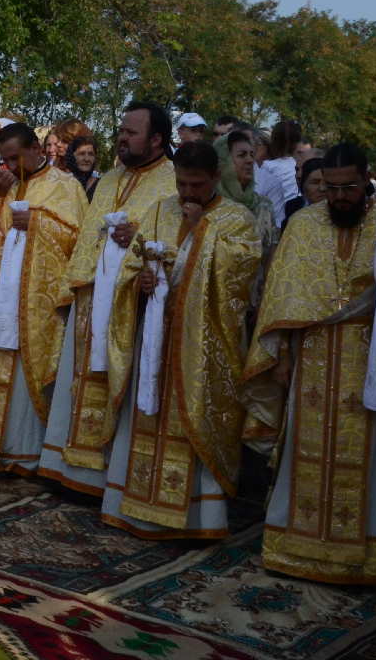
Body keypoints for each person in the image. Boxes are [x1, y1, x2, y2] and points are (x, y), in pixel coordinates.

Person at [238, 142, 376, 585]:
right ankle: (296, 546)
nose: (339, 197)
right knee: (303, 455)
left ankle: (372, 557)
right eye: (330, 188)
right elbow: (282, 297)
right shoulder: (303, 224)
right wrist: (283, 356)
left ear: (367, 182)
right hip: (311, 359)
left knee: (371, 459)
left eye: (349, 186)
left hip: (372, 362)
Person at [97, 140, 260, 538]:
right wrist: (141, 280)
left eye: (197, 185)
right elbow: (132, 266)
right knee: (144, 413)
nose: (187, 193)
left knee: (194, 418)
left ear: (216, 179)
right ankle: (133, 504)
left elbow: (241, 277)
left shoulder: (237, 219)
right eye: (182, 184)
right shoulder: (159, 209)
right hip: (155, 337)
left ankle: (196, 519)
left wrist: (199, 228)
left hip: (202, 347)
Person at [39, 101, 177, 494]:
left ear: (156, 139)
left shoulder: (170, 181)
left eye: (131, 132)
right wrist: (75, 287)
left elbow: (173, 243)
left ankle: (107, 478)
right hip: (90, 295)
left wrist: (139, 240)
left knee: (118, 383)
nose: (121, 137)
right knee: (78, 383)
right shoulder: (111, 179)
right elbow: (88, 233)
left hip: (130, 304)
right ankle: (68, 468)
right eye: (121, 130)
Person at [0, 122, 86, 471]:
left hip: (32, 303)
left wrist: (36, 223)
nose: (9, 167)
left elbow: (78, 240)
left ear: (37, 148)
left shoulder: (65, 187)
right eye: (4, 160)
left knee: (24, 376)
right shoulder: (0, 182)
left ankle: (19, 450)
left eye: (14, 158)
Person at [253, 120, 303, 228]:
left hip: (276, 217)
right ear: (297, 143)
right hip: (295, 215)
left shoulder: (268, 166)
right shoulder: (298, 166)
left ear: (273, 141)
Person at [283, 155, 325, 220]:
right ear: (304, 187)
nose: (322, 188)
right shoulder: (291, 207)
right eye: (315, 183)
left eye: (327, 183)